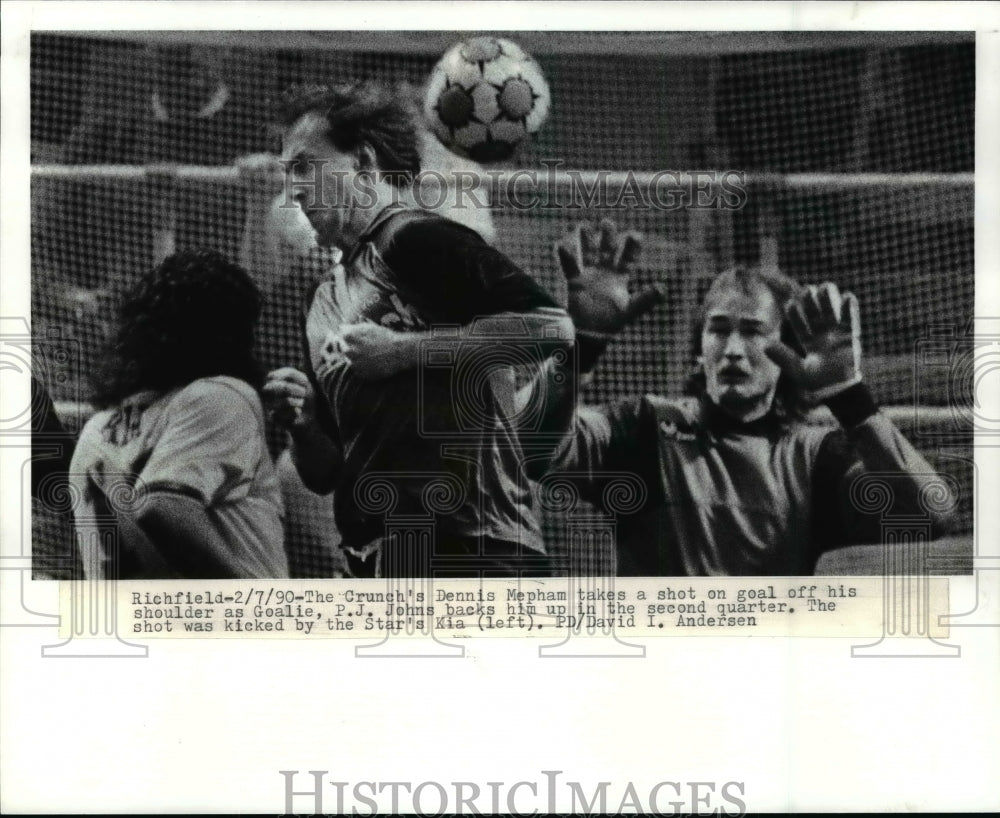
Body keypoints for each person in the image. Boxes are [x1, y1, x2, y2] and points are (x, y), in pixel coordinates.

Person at [263, 81, 574, 578]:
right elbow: (325, 475)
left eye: (305, 166)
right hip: (373, 564)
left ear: (362, 162)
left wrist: (403, 352)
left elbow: (551, 330)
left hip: (474, 554)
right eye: (286, 173)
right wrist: (302, 423)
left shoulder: (420, 238)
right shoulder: (323, 298)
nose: (293, 190)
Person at [540, 221, 956, 576]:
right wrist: (582, 347)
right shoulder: (646, 425)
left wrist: (849, 396)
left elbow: (928, 513)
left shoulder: (814, 456)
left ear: (788, 353)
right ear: (700, 350)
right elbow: (526, 446)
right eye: (719, 330)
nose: (734, 349)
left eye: (754, 331)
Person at [68, 250, 288, 579]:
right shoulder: (220, 396)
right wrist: (252, 593)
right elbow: (163, 504)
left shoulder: (97, 427)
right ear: (230, 332)